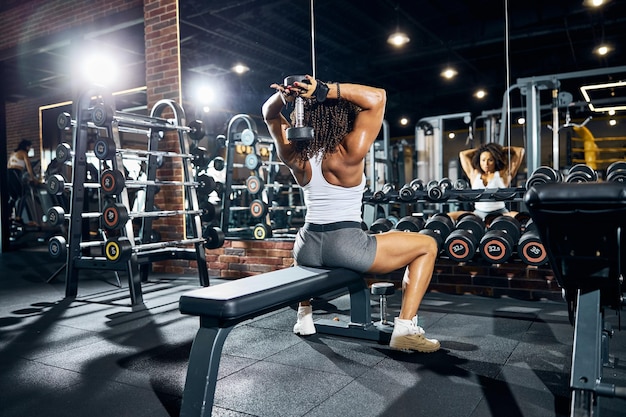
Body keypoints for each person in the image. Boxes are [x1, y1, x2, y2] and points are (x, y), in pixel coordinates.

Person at [262, 75, 440, 353]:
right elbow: (378, 97)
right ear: (343, 118)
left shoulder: (295, 155)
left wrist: (285, 98)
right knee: (427, 245)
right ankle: (405, 328)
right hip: (345, 245)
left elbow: (268, 114)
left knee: (319, 243)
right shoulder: (349, 151)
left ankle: (304, 317)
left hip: (306, 246)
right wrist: (325, 90)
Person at [451, 142, 525, 221]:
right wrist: (482, 150)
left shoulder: (503, 175)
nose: (486, 164)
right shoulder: (474, 174)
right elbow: (463, 154)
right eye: (483, 160)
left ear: (495, 160)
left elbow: (520, 151)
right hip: (478, 213)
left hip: (500, 213)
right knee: (447, 216)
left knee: (523, 217)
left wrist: (499, 151)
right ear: (479, 161)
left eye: (490, 160)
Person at [7, 139, 36, 223]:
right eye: (30, 147)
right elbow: (29, 166)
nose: (30, 149)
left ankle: (8, 216)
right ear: (27, 147)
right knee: (23, 195)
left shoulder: (13, 153)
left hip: (8, 173)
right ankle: (18, 217)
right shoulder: (23, 153)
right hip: (15, 173)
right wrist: (33, 178)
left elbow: (9, 165)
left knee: (14, 197)